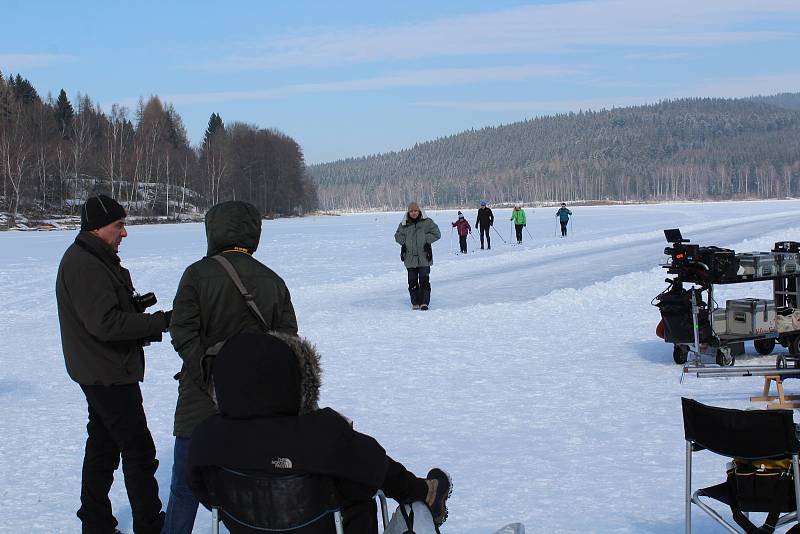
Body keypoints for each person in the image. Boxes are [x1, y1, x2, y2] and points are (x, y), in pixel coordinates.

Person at [187, 332, 453, 533]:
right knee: (407, 502)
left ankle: (422, 491)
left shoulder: (206, 440)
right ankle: (424, 492)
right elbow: (375, 469)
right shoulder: (321, 434)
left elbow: (206, 495)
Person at [164, 200, 298, 533]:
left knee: (184, 490)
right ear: (254, 233)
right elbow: (287, 341)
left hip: (199, 402)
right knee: (252, 489)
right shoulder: (272, 280)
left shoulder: (196, 274)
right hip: (256, 406)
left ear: (213, 229)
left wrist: (206, 373)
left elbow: (182, 331)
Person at [56, 194, 170, 534]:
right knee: (138, 451)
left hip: (100, 369)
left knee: (103, 446)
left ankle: (95, 522)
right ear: (97, 227)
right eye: (119, 225)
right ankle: (150, 525)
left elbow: (109, 317)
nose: (124, 233)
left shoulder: (94, 258)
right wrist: (160, 322)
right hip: (107, 373)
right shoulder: (85, 264)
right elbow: (105, 324)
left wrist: (139, 319)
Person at [394, 202, 441, 310]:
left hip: (424, 257)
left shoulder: (427, 222)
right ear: (408, 212)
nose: (414, 213)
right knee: (412, 281)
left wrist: (425, 239)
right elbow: (397, 236)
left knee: (424, 280)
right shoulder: (404, 224)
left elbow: (437, 234)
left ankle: (424, 302)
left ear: (419, 211)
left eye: (415, 211)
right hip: (410, 258)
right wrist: (405, 241)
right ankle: (415, 302)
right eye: (411, 211)